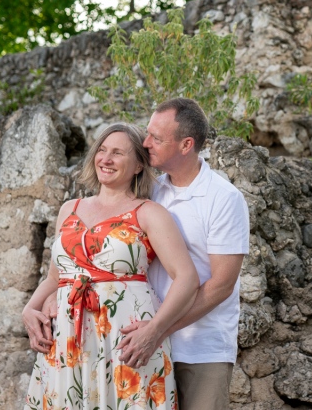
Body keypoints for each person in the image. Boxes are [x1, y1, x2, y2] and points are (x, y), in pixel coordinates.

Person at [22, 123, 199, 410]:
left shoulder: (149, 213)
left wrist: (154, 330)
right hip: (68, 339)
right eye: (102, 150)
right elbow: (56, 276)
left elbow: (187, 278)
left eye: (118, 153)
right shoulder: (70, 209)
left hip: (126, 340)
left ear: (139, 165)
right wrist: (29, 307)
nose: (106, 159)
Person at [117, 98, 250, 410]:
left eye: (157, 138)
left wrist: (159, 328)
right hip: (144, 341)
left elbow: (221, 285)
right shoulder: (150, 191)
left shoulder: (224, 199)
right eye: (147, 133)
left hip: (201, 348)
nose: (145, 143)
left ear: (186, 144)